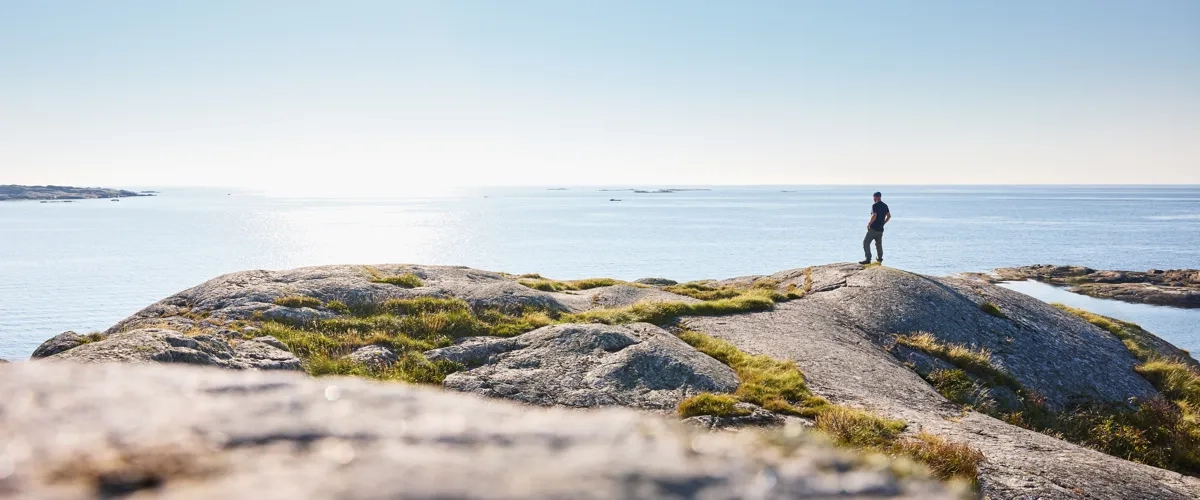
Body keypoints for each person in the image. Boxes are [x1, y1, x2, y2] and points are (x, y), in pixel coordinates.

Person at [859, 192, 890, 265]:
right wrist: (883, 223)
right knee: (878, 244)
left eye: (874, 197)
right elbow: (889, 216)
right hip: (880, 229)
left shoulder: (875, 205)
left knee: (866, 242)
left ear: (876, 197)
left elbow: (874, 215)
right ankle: (879, 259)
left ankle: (868, 259)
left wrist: (869, 223)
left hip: (873, 228)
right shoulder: (885, 205)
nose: (873, 199)